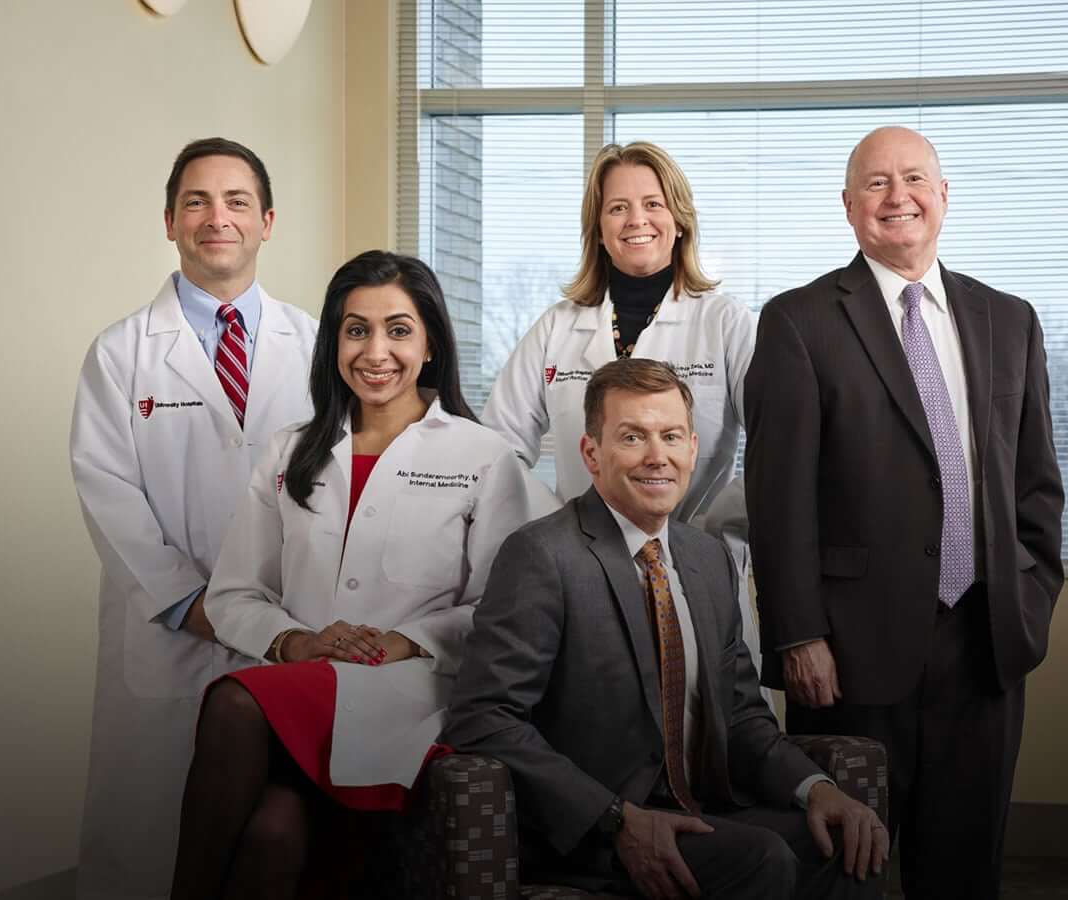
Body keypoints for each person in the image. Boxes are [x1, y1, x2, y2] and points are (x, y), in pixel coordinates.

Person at [744, 125, 1063, 899]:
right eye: (877, 183)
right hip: (848, 653)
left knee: (965, 871)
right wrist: (799, 634)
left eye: (915, 178)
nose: (899, 197)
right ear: (849, 205)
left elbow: (1037, 486)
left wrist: (1029, 598)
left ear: (944, 195)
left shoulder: (1010, 319)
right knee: (847, 872)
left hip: (985, 641)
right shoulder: (798, 321)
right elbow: (778, 498)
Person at [443, 358, 886, 900]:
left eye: (671, 436)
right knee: (761, 858)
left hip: (703, 809)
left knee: (848, 843)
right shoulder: (542, 556)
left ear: (693, 449)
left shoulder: (708, 559)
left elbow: (742, 715)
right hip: (594, 831)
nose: (657, 456)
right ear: (591, 454)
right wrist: (615, 818)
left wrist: (815, 788)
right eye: (632, 437)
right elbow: (483, 717)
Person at [169, 251, 536, 900]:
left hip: (411, 692)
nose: (376, 351)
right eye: (356, 330)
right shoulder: (290, 451)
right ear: (334, 344)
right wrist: (295, 642)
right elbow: (234, 593)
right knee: (273, 834)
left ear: (430, 345)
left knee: (233, 700)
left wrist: (408, 640)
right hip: (305, 685)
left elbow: (503, 609)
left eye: (399, 330)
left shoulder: (483, 456)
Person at [69, 137, 319, 900]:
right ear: (170, 221)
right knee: (151, 843)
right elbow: (107, 493)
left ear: (267, 221)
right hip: (172, 634)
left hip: (285, 630)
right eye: (197, 202)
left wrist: (275, 615)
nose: (218, 218)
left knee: (271, 845)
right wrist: (196, 605)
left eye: (237, 201)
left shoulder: (316, 345)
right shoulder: (121, 353)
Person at [480, 141, 761, 673]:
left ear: (679, 220)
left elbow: (779, 448)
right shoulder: (558, 326)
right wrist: (559, 530)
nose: (637, 220)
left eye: (653, 204)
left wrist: (713, 528)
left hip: (694, 567)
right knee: (591, 706)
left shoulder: (726, 324)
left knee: (706, 711)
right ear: (599, 228)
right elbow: (494, 452)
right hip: (580, 572)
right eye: (617, 208)